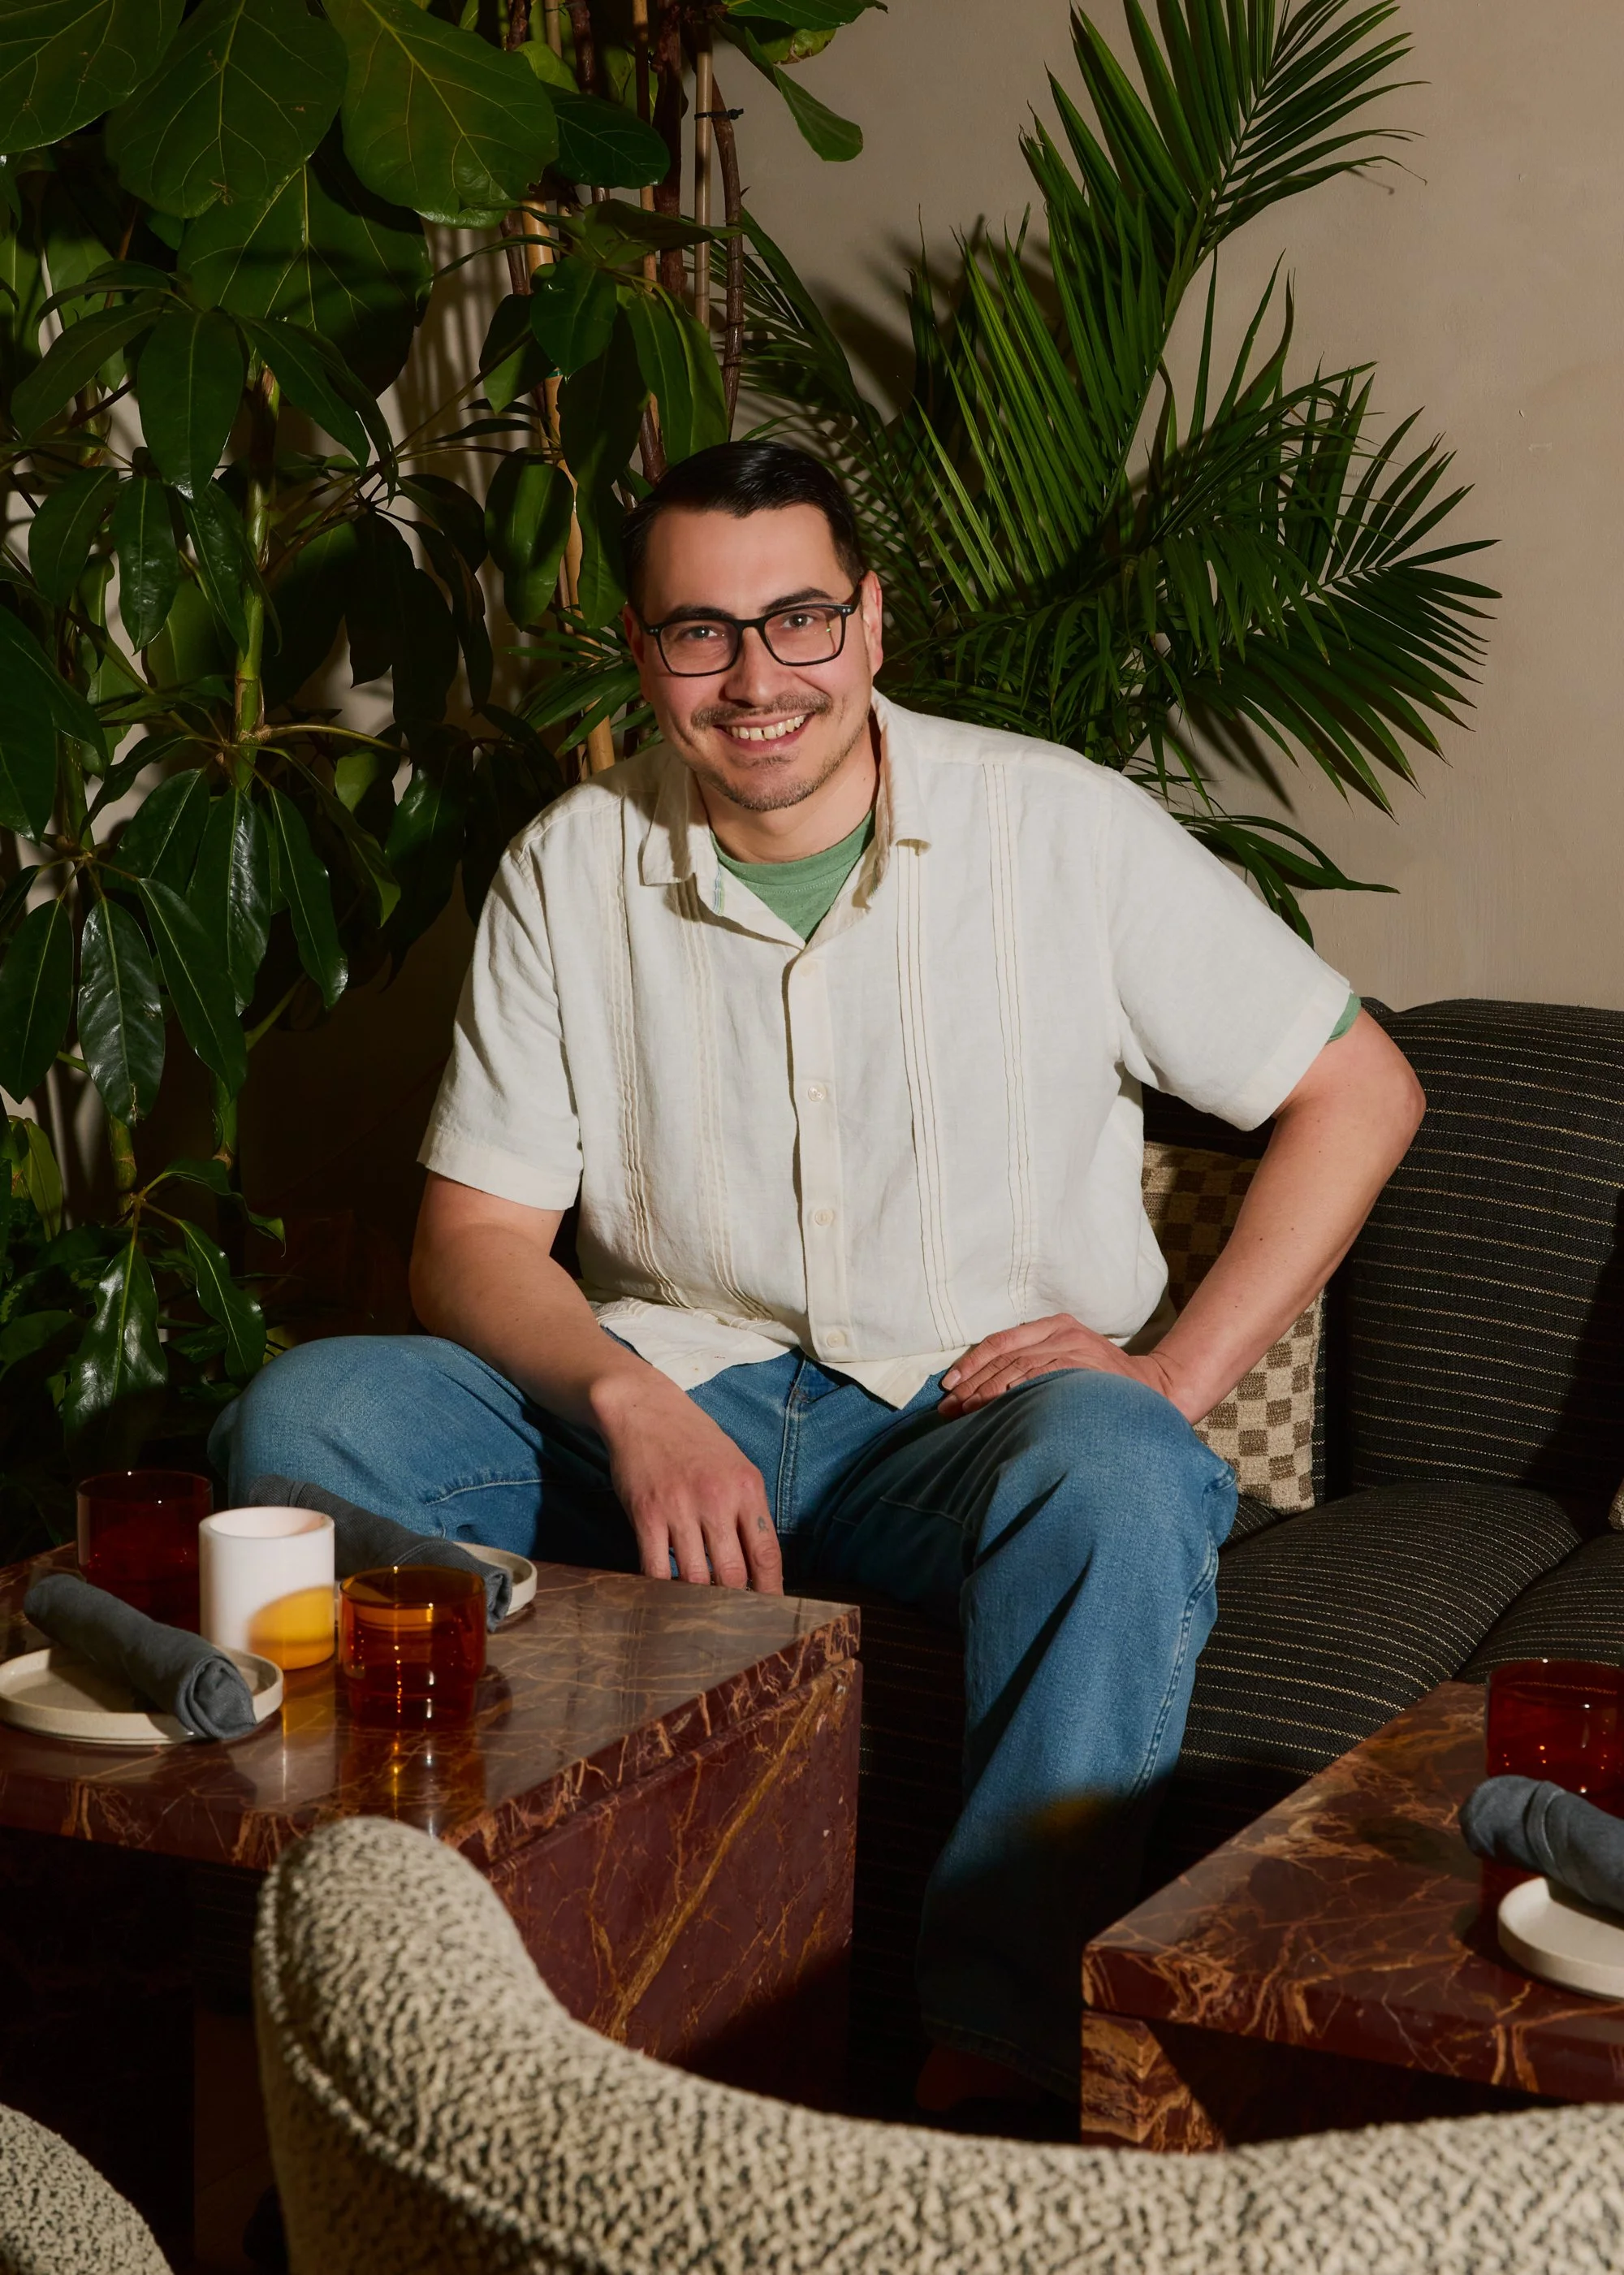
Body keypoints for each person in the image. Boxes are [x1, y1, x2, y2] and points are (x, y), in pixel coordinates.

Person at [214, 439, 1424, 2117]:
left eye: (796, 618)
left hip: (961, 1425)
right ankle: (436, 1991)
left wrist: (1177, 1373)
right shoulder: (572, 866)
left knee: (1128, 1472)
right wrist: (628, 1398)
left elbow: (1358, 1086)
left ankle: (984, 2074)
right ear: (644, 655)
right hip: (658, 1413)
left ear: (868, 622)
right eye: (701, 633)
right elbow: (470, 1242)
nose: (756, 676)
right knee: (312, 1412)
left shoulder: (1057, 826)